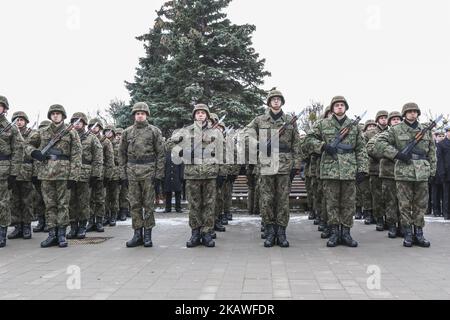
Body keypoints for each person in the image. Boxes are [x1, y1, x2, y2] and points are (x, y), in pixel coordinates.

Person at [305, 96, 368, 247]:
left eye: (342, 105)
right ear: (332, 108)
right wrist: (323, 146)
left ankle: (346, 233)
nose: (339, 107)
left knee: (348, 203)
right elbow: (307, 140)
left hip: (349, 169)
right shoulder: (322, 124)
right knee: (331, 203)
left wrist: (362, 169)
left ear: (346, 108)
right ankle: (334, 232)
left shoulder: (354, 127)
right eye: (336, 105)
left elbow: (361, 149)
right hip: (329, 169)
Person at [245, 88, 301, 248]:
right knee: (266, 199)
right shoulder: (259, 120)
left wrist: (296, 166)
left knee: (282, 200)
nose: (276, 101)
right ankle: (270, 232)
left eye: (278, 99)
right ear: (269, 102)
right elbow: (247, 134)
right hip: (266, 164)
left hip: (284, 165)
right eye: (273, 99)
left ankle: (281, 233)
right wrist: (258, 145)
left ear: (282, 102)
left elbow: (296, 144)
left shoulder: (290, 120)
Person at [376, 103, 436, 247]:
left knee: (420, 205)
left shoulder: (425, 130)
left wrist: (432, 171)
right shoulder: (396, 129)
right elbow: (379, 142)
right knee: (404, 205)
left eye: (415, 111)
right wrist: (396, 154)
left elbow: (432, 152)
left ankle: (419, 234)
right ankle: (408, 233)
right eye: (409, 112)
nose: (412, 114)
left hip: (422, 171)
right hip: (404, 171)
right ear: (405, 114)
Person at [166, 104, 222, 248]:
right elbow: (168, 144)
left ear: (207, 116)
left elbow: (224, 152)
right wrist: (183, 153)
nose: (201, 115)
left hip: (210, 173)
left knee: (209, 205)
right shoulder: (185, 132)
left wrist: (221, 172)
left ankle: (207, 233)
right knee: (194, 206)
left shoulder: (215, 133)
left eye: (203, 113)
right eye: (198, 113)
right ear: (194, 116)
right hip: (192, 174)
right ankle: (195, 233)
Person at [28, 104, 82, 248]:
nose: (56, 116)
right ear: (50, 116)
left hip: (64, 174)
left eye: (58, 113)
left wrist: (74, 176)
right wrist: (34, 153)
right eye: (53, 114)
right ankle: (52, 234)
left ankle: (62, 235)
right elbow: (27, 144)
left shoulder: (71, 133)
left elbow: (77, 155)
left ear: (63, 116)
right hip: (46, 173)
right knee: (49, 205)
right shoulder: (42, 132)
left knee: (63, 205)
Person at [119, 102, 165, 248]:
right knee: (134, 204)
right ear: (134, 115)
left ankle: (147, 235)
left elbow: (161, 154)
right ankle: (137, 234)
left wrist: (158, 175)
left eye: (142, 113)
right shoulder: (127, 132)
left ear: (147, 115)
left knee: (148, 205)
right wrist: (123, 175)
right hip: (132, 171)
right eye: (137, 113)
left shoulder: (154, 131)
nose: (140, 115)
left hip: (149, 171)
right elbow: (121, 154)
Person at [67, 112, 103, 239]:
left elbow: (98, 158)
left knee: (83, 202)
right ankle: (73, 226)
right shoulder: (67, 136)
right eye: (75, 122)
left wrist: (95, 175)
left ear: (84, 124)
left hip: (85, 173)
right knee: (71, 201)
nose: (77, 125)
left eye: (80, 122)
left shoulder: (92, 138)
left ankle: (82, 226)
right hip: (69, 173)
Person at [0, 96, 24, 248]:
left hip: (3, 168)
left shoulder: (11, 128)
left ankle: (1, 233)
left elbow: (18, 150)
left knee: (2, 203)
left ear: (5, 109)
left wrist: (14, 173)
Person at [8, 111, 34, 240]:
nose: (19, 122)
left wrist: (36, 173)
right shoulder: (9, 133)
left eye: (21, 120)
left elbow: (35, 153)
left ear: (26, 121)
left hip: (26, 171)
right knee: (14, 201)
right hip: (12, 171)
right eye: (17, 120)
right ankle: (17, 226)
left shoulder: (32, 134)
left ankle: (27, 227)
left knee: (27, 201)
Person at [437, 126, 450, 220]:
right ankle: (447, 213)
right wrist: (441, 172)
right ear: (446, 133)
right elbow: (439, 160)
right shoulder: (441, 144)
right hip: (447, 173)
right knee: (447, 194)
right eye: (449, 131)